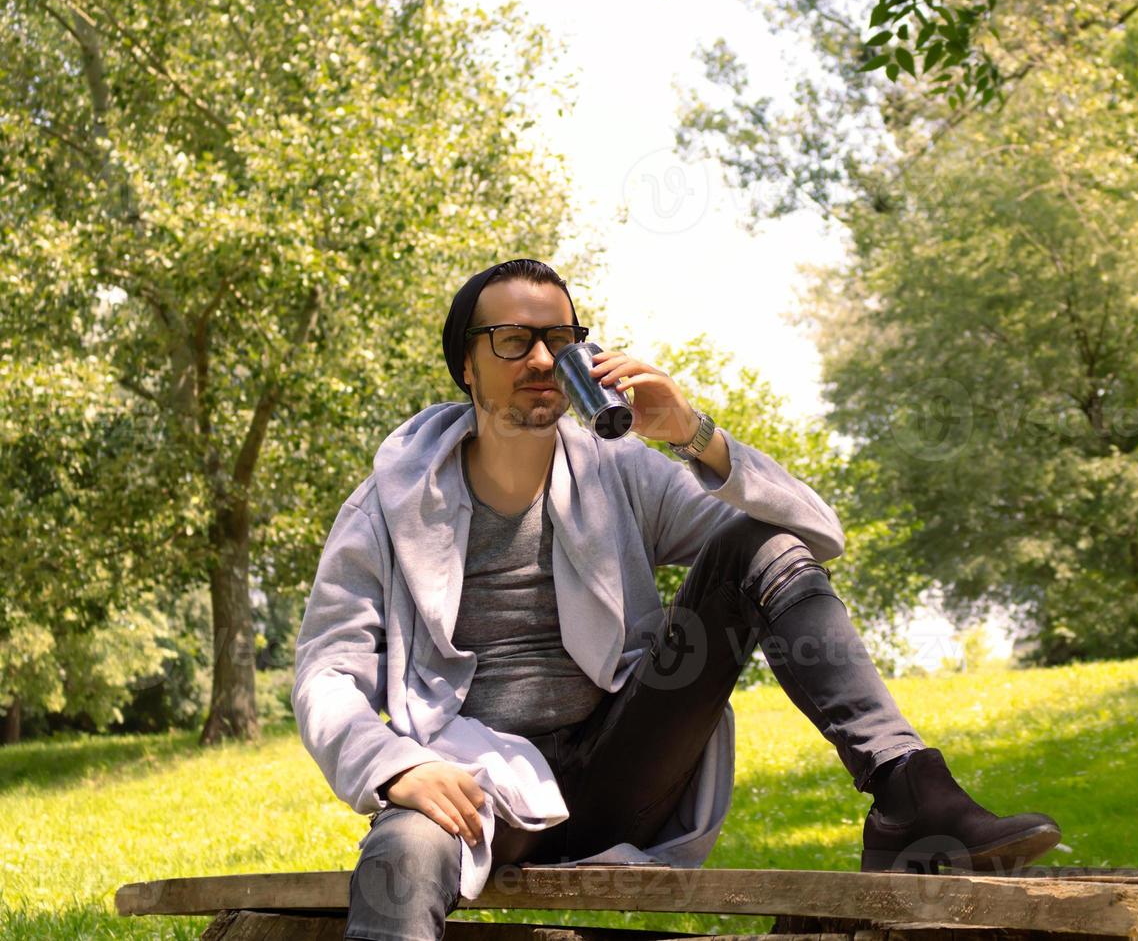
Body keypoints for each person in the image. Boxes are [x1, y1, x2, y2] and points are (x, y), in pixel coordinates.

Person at [291, 259, 1062, 941]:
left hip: (623, 770)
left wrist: (691, 432)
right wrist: (395, 770)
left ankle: (908, 794)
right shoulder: (388, 506)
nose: (541, 359)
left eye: (561, 340)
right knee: (401, 852)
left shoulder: (617, 470)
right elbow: (328, 673)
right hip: (477, 792)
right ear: (466, 364)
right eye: (512, 340)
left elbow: (811, 537)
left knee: (753, 544)